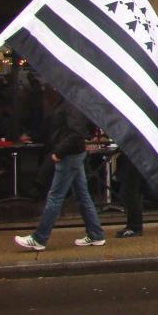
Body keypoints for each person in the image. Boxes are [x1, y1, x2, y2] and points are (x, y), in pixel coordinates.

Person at [15, 92, 106, 250]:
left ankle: (39, 238)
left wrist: (59, 151)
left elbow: (75, 133)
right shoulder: (76, 100)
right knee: (82, 195)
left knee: (55, 196)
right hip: (74, 152)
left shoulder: (70, 103)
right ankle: (95, 233)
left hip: (69, 154)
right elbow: (82, 130)